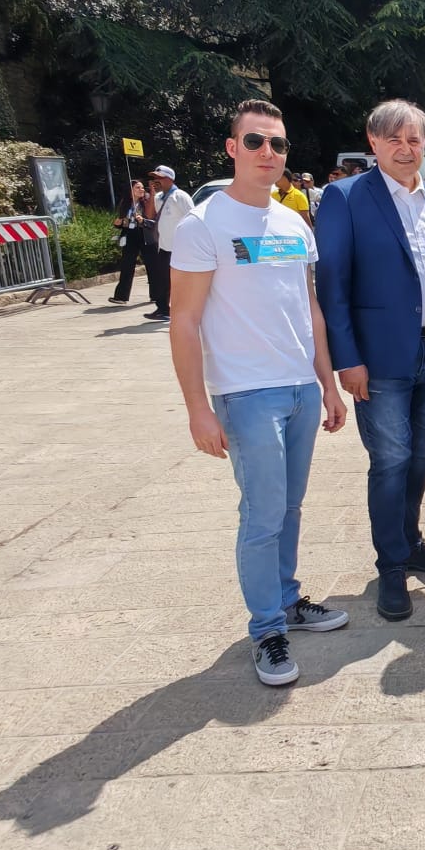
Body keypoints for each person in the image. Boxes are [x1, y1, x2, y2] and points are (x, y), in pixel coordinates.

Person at [168, 99, 350, 687]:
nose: (268, 152)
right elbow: (183, 321)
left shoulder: (294, 223)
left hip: (300, 388)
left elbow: (309, 308)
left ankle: (288, 600)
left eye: (278, 143)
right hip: (246, 394)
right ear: (232, 148)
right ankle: (267, 629)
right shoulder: (203, 225)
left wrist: (327, 384)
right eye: (255, 141)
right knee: (262, 513)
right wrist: (197, 408)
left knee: (289, 508)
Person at [317, 99, 425, 622]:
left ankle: (412, 542)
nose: (406, 149)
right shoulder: (345, 197)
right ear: (373, 142)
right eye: (394, 139)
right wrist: (347, 360)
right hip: (377, 360)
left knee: (420, 456)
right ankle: (392, 567)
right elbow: (332, 285)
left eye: (414, 139)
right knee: (391, 461)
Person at [142, 166, 194, 321]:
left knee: (179, 281)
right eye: (154, 178)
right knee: (162, 279)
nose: (156, 181)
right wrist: (152, 193)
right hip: (165, 246)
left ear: (169, 179)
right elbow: (149, 214)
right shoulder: (158, 197)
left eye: (159, 178)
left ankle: (183, 309)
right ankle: (163, 309)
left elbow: (193, 218)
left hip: (180, 248)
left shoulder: (180, 196)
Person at [109, 179, 149, 304]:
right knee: (127, 265)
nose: (141, 190)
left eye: (142, 187)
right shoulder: (125, 204)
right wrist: (118, 223)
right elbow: (122, 222)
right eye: (138, 187)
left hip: (144, 234)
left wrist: (143, 220)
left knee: (151, 265)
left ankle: (157, 295)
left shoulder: (147, 202)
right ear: (130, 190)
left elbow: (152, 219)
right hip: (130, 235)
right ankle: (121, 296)